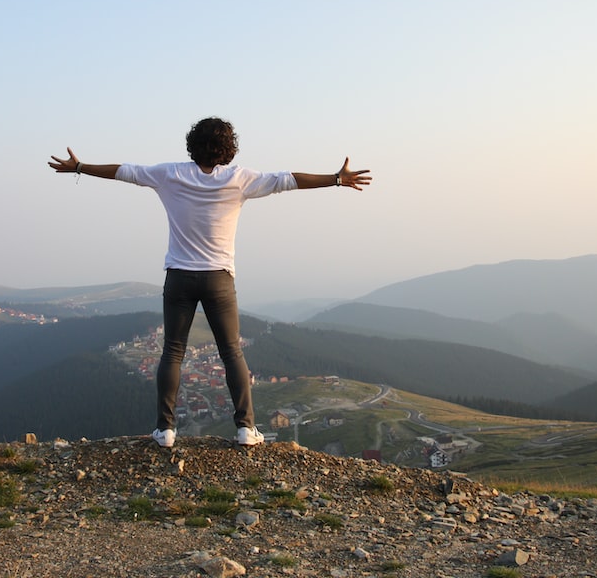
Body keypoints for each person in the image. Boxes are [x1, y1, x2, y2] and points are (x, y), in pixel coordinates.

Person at [48, 117, 371, 448]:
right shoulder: (240, 179)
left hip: (179, 278)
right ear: (228, 148)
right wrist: (335, 179)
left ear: (192, 143)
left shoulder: (169, 174)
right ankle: (246, 429)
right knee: (231, 352)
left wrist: (80, 167)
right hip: (219, 279)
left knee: (173, 351)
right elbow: (288, 180)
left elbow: (124, 171)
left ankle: (166, 430)